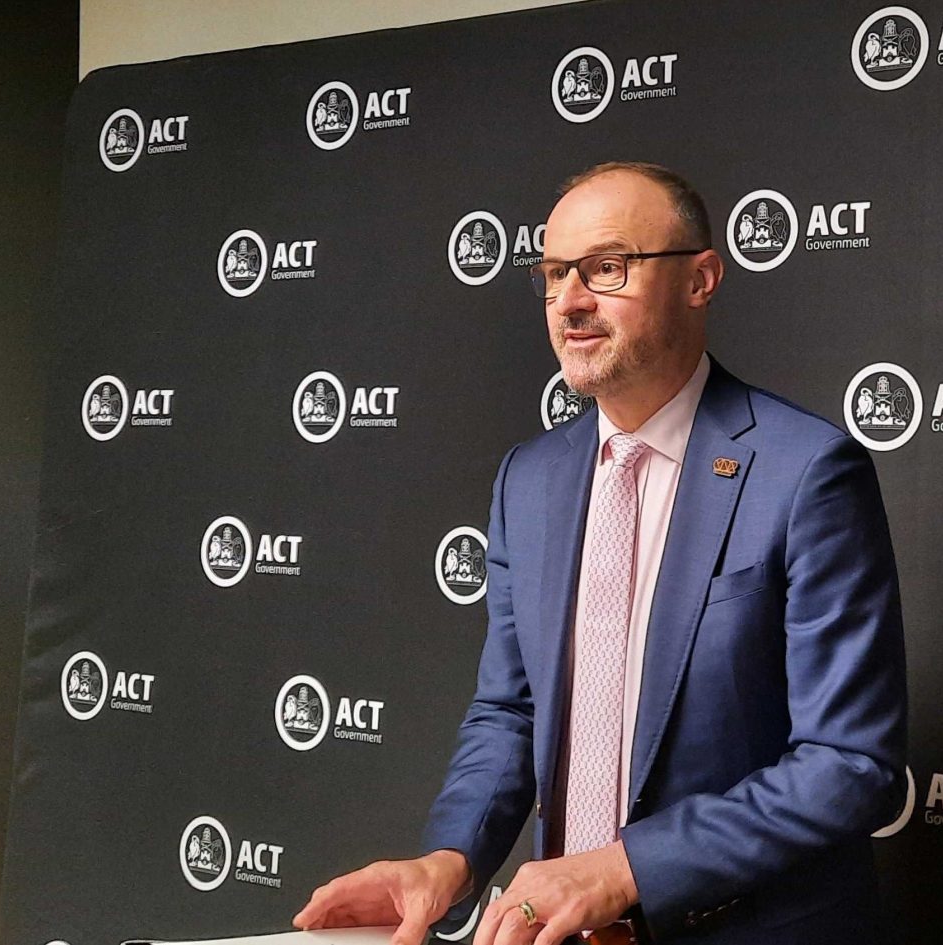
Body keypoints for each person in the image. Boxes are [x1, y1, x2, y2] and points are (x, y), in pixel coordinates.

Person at [293, 162, 907, 945]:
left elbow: (850, 764)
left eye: (607, 267)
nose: (571, 301)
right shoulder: (530, 478)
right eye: (553, 274)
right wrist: (451, 856)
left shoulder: (808, 472)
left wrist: (624, 868)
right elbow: (512, 709)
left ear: (700, 278)